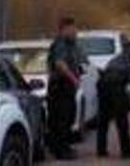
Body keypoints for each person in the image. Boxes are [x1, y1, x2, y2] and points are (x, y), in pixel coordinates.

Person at [46, 17, 85, 160]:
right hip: (60, 85)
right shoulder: (61, 44)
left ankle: (64, 146)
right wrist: (73, 79)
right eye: (73, 29)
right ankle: (60, 150)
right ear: (65, 29)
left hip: (66, 86)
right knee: (61, 119)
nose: (75, 31)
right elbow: (60, 64)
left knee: (68, 117)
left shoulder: (71, 44)